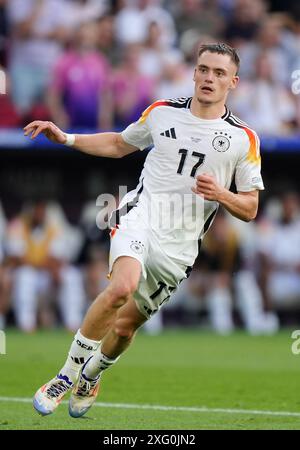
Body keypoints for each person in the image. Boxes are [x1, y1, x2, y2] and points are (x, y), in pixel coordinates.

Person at [24, 43, 264, 418]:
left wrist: (221, 193)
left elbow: (250, 207)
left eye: (219, 73)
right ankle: (65, 376)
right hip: (141, 214)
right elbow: (120, 144)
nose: (209, 78)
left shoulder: (243, 139)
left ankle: (93, 374)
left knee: (123, 329)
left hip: (180, 247)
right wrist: (68, 138)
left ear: (233, 82)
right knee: (120, 287)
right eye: (203, 69)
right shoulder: (162, 112)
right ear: (194, 73)